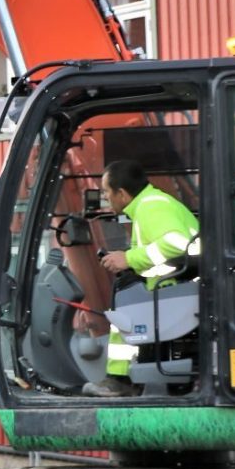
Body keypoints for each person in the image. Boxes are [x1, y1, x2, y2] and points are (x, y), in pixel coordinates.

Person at [83, 159, 200, 397]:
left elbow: (176, 244)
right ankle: (124, 379)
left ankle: (120, 381)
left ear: (122, 194)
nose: (105, 198)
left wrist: (129, 259)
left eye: (107, 192)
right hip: (180, 285)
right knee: (127, 293)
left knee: (124, 312)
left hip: (177, 288)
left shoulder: (151, 207)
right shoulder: (152, 204)